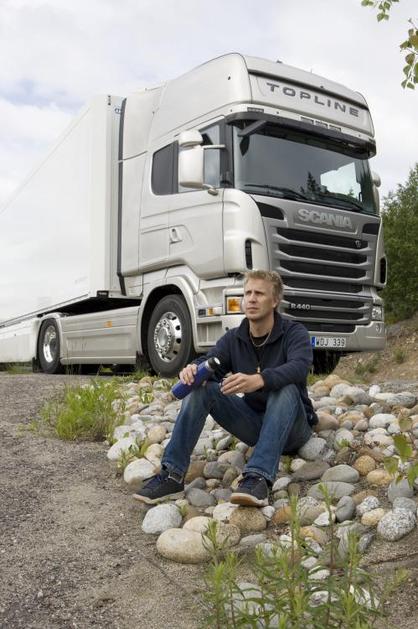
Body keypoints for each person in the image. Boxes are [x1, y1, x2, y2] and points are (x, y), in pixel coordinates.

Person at [133, 270, 317, 507]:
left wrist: (260, 379)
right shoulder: (235, 338)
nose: (251, 299)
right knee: (201, 388)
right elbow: (212, 360)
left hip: (293, 429)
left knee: (285, 389)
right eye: (248, 293)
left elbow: (299, 367)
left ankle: (258, 477)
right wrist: (193, 369)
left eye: (259, 294)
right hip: (255, 427)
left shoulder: (294, 333)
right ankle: (172, 475)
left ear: (275, 300)